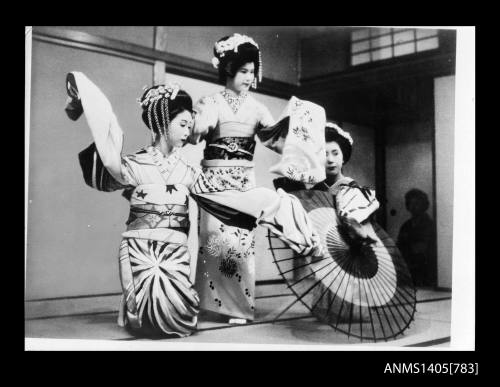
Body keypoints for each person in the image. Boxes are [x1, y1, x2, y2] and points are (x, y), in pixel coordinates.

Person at [64, 71, 322, 337]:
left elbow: (226, 197)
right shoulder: (134, 164)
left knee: (180, 320)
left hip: (174, 252)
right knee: (141, 320)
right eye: (184, 124)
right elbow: (108, 160)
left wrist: (275, 208)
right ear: (164, 121)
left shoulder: (189, 172)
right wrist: (85, 102)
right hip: (138, 248)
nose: (189, 132)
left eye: (190, 125)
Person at [189, 33, 286, 323]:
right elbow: (196, 134)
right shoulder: (211, 101)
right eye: (243, 71)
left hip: (243, 180)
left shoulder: (257, 108)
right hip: (213, 180)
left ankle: (236, 309)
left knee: (239, 244)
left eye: (252, 72)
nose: (248, 77)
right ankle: (208, 304)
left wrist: (293, 130)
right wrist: (202, 122)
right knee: (213, 242)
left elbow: (275, 140)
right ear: (228, 69)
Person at [397, 189, 436, 286]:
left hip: (425, 268)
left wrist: (407, 249)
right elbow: (399, 246)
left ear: (424, 205)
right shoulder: (406, 225)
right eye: (411, 203)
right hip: (407, 267)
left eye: (417, 203)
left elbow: (422, 248)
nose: (414, 207)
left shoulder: (430, 225)